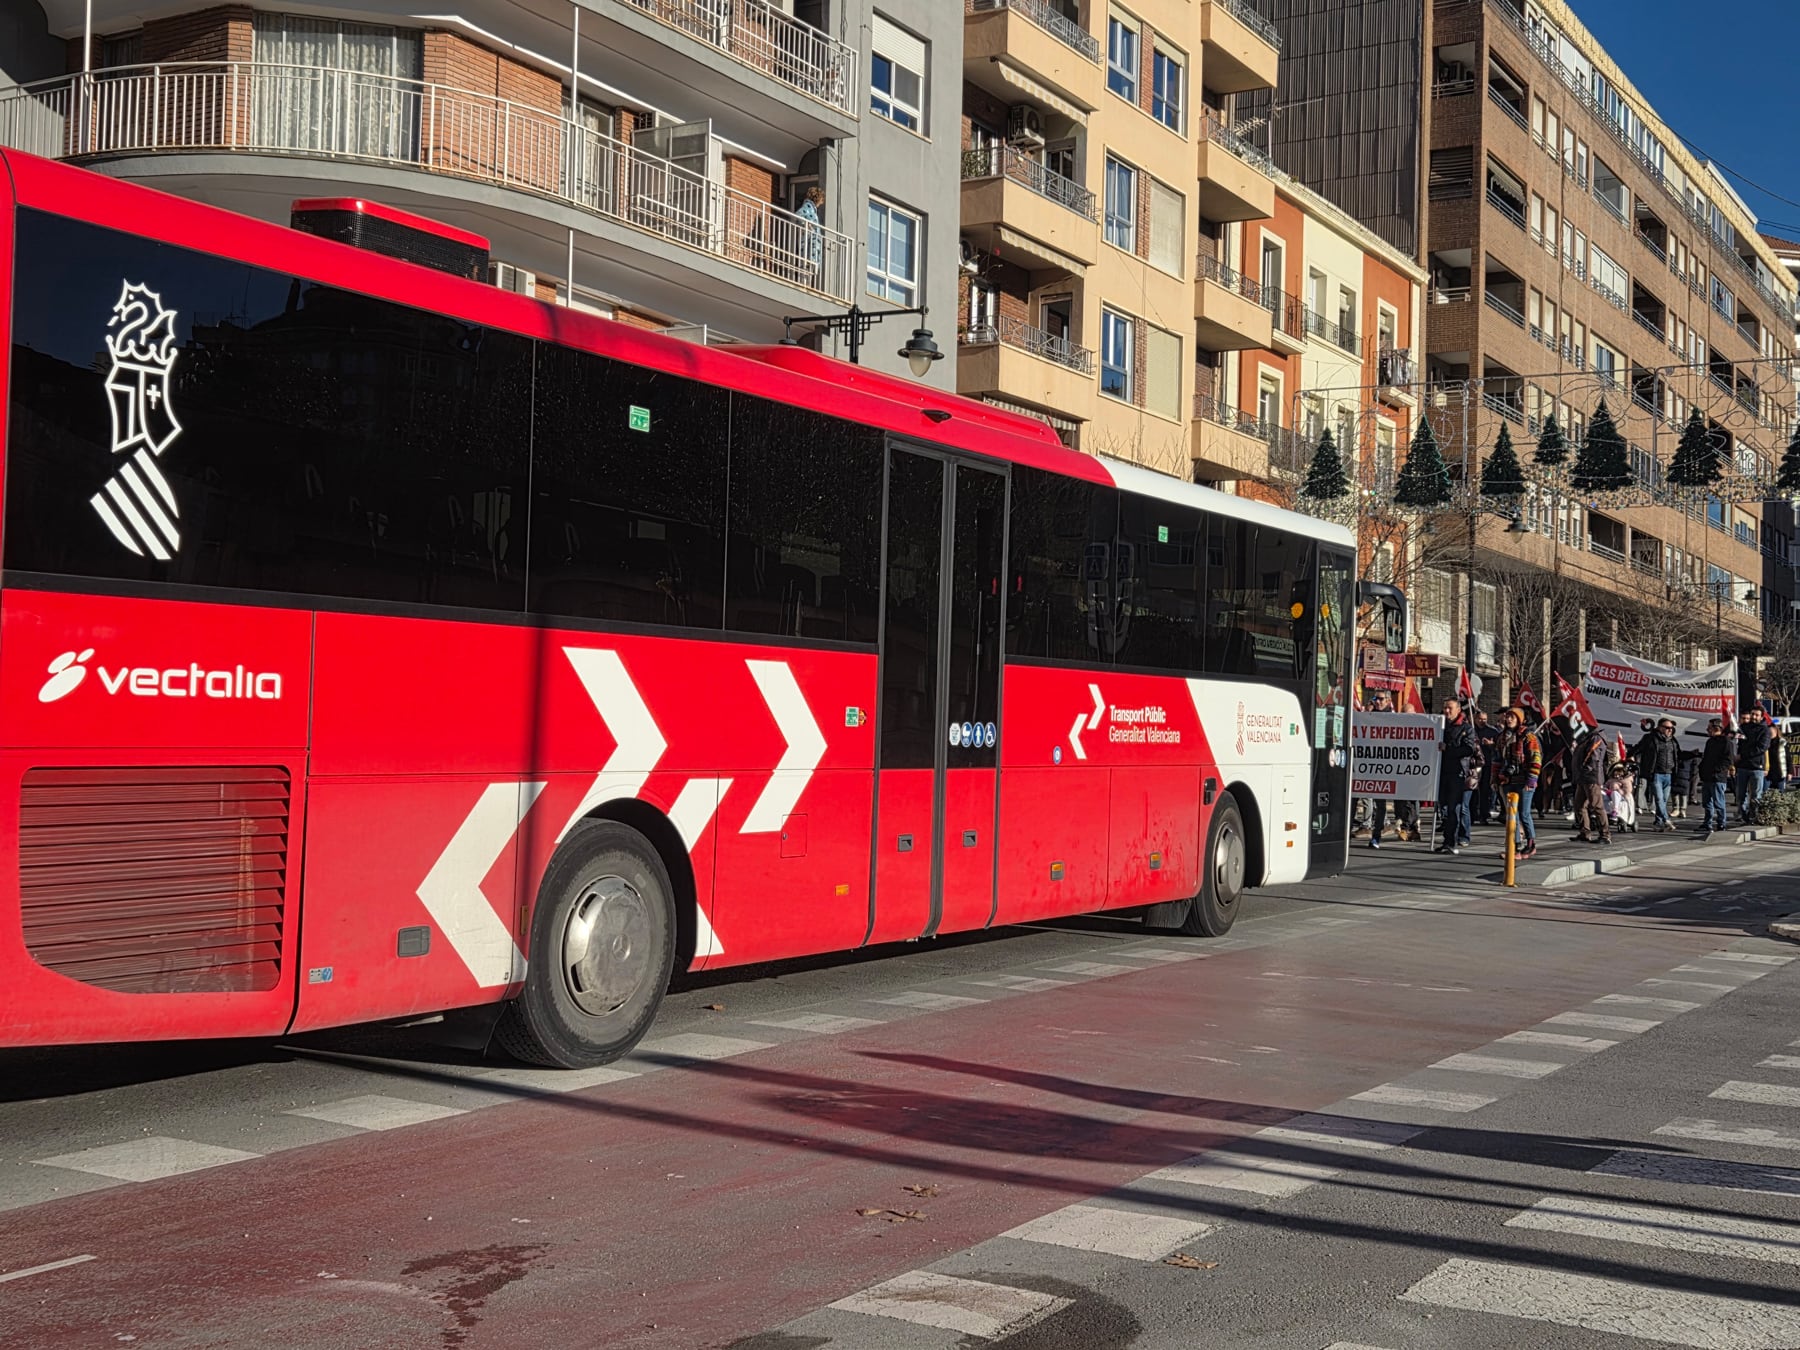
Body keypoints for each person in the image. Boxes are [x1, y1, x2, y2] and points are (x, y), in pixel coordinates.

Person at [1363, 689, 1419, 848]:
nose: (1377, 701)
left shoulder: (1395, 718)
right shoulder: (1368, 716)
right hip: (1370, 765)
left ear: (1388, 701)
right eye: (1375, 698)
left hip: (1389, 768)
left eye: (1380, 699)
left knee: (1382, 805)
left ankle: (1377, 836)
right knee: (1366, 801)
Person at [1436, 696, 1478, 854]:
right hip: (1441, 772)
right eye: (1445, 707)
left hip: (1457, 773)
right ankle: (1446, 840)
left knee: (1454, 808)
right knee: (1444, 809)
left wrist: (1449, 749)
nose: (1446, 711)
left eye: (1450, 708)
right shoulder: (1439, 725)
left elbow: (1468, 749)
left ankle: (1452, 841)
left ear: (1458, 710)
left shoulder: (1466, 728)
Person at [1499, 706, 1541, 859]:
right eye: (1507, 716)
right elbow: (1497, 758)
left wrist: (1531, 779)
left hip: (1524, 781)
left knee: (1524, 813)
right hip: (1508, 781)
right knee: (1512, 816)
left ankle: (1530, 844)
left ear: (1519, 719)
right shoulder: (1502, 737)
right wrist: (1495, 777)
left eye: (1512, 717)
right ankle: (1515, 846)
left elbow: (1536, 758)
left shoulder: (1528, 736)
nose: (1509, 719)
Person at [1571, 728, 1613, 844]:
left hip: (1591, 777)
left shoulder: (1596, 738)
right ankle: (1585, 832)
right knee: (1579, 805)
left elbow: (1592, 757)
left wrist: (1584, 769)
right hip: (1583, 777)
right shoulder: (1586, 738)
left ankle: (1605, 834)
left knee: (1596, 805)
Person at [1637, 717, 1679, 831]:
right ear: (1660, 728)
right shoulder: (1650, 738)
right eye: (1667, 728)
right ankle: (1666, 820)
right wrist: (1629, 756)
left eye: (1671, 728)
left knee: (1664, 800)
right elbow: (1638, 748)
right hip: (1656, 774)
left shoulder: (1672, 741)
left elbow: (1678, 755)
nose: (1670, 730)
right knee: (1659, 799)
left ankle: (1658, 822)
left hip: (1669, 774)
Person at [1698, 716, 1732, 835]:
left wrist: (1718, 770)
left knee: (1719, 802)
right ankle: (1707, 823)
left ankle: (1721, 823)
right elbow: (1706, 758)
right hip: (1707, 777)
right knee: (1707, 802)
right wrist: (1702, 769)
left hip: (1718, 777)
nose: (1707, 730)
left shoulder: (1726, 742)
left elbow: (1728, 760)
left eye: (1709, 727)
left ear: (1717, 728)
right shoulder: (1710, 741)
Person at [1736, 707, 1771, 823]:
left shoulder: (1765, 730)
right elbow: (1739, 743)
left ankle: (1754, 816)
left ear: (1762, 717)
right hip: (1743, 767)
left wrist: (1743, 755)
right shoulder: (1744, 728)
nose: (1754, 717)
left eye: (1757, 715)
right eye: (1753, 714)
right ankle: (1744, 815)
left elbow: (1761, 748)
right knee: (1741, 794)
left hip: (1756, 767)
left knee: (1756, 795)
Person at [1474, 710, 1501, 824]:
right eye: (1480, 719)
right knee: (1473, 790)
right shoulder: (1471, 730)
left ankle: (1484, 815)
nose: (1482, 721)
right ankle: (1473, 813)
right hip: (1474, 764)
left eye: (1484, 719)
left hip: (1487, 764)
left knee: (1485, 790)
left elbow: (1499, 748)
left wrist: (1491, 745)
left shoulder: (1492, 731)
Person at [1672, 746, 1698, 820]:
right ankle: (1682, 810)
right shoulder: (1692, 757)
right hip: (1685, 776)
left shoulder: (1677, 755)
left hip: (1679, 775)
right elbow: (1694, 769)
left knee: (1676, 792)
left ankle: (1676, 809)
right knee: (1683, 793)